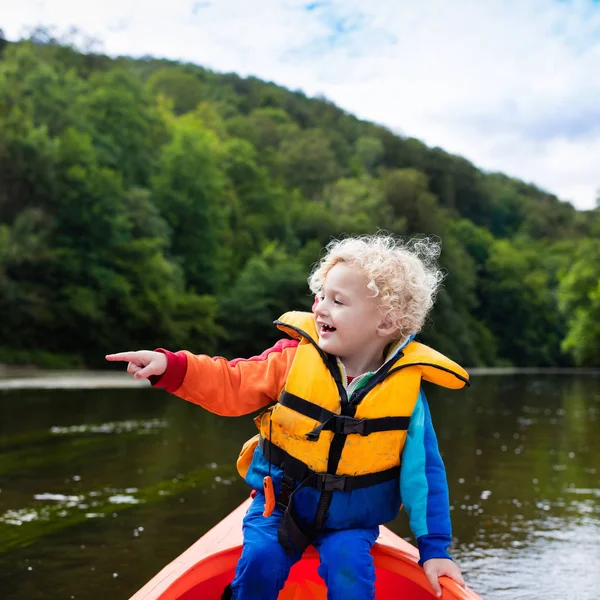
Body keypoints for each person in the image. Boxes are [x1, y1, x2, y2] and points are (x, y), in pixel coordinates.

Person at [106, 234, 468, 600]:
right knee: (263, 560)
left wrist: (434, 549)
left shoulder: (407, 394)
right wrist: (171, 366)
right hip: (278, 503)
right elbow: (231, 382)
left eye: (338, 301)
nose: (321, 309)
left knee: (351, 574)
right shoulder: (292, 359)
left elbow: (424, 476)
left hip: (350, 521)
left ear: (387, 323)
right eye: (321, 296)